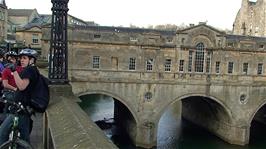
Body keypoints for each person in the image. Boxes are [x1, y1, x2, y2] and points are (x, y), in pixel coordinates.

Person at [0, 48, 39, 145]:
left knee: (2, 133)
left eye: (24, 58)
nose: (21, 60)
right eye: (21, 58)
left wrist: (14, 71)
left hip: (20, 110)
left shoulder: (29, 70)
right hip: (24, 109)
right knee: (24, 138)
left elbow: (21, 86)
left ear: (32, 60)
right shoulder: (32, 70)